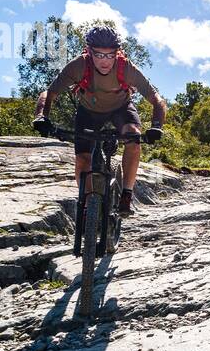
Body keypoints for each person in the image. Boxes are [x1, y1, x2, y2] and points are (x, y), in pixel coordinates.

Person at [32, 27, 167, 216]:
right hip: (89, 111)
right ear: (89, 51)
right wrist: (41, 116)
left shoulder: (126, 68)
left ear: (117, 53)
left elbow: (156, 99)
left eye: (110, 55)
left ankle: (126, 195)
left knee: (134, 138)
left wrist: (156, 126)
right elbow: (49, 93)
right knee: (82, 159)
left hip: (121, 109)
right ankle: (87, 208)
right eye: (99, 55)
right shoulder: (79, 65)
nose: (104, 60)